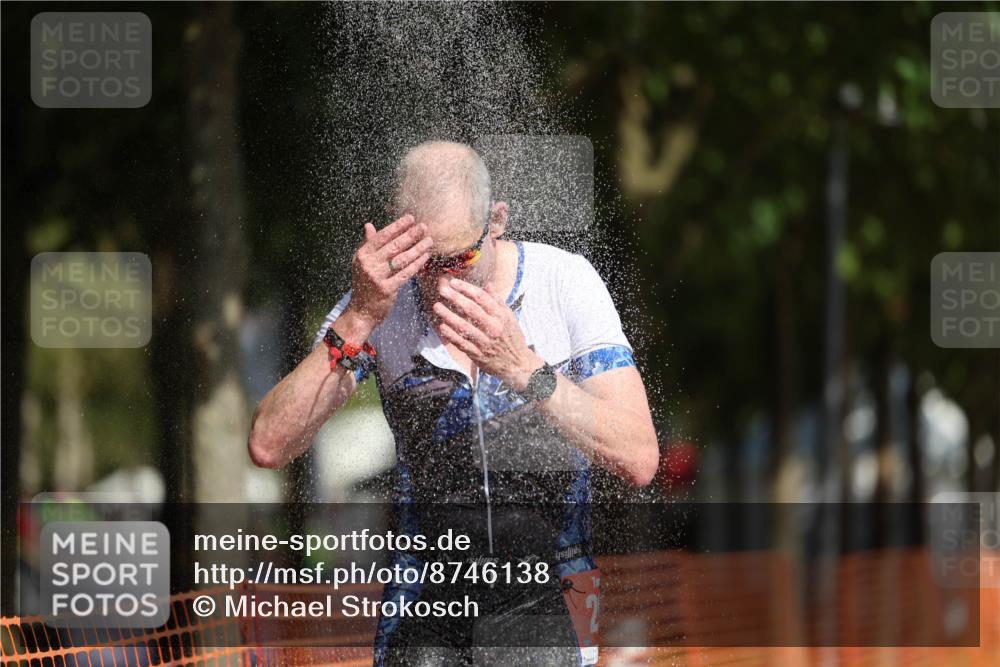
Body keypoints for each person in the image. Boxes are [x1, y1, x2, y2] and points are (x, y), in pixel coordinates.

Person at [248, 140, 659, 666]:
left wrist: (523, 370)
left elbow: (639, 457)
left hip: (552, 588)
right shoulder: (380, 304)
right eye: (421, 259)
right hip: (426, 596)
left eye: (458, 258)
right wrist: (357, 321)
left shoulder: (564, 282)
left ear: (498, 221)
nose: (441, 279)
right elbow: (267, 444)